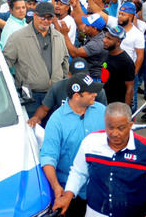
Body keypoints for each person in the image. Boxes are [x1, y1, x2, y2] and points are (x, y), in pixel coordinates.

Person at [54, 103, 146, 216]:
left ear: (130, 125)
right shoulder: (90, 142)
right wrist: (68, 195)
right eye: (110, 127)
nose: (115, 133)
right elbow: (78, 172)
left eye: (121, 128)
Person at [40, 73, 106, 216]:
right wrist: (57, 187)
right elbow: (48, 157)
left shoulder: (102, 111)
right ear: (77, 96)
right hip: (70, 193)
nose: (96, 93)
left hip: (101, 189)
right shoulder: (56, 121)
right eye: (91, 92)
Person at [3, 2, 70, 116]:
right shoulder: (18, 37)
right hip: (31, 97)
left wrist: (62, 85)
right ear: (34, 15)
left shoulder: (58, 37)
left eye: (49, 17)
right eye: (42, 17)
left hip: (54, 95)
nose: (46, 20)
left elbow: (64, 62)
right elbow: (5, 63)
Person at [28, 58, 108, 127]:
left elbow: (103, 115)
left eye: (84, 75)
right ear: (69, 75)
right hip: (64, 125)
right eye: (77, 76)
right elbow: (44, 108)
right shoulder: (58, 87)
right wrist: (36, 117)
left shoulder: (98, 91)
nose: (81, 79)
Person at [58, 11, 108, 81]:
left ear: (95, 29)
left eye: (87, 25)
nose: (84, 26)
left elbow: (74, 54)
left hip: (92, 78)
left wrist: (65, 35)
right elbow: (80, 23)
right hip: (86, 72)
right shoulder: (94, 33)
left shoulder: (97, 43)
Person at [103, 25, 136, 105]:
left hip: (116, 104)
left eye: (109, 38)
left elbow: (129, 88)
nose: (104, 40)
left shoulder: (126, 62)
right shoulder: (107, 52)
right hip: (104, 99)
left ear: (118, 42)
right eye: (105, 37)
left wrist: (125, 110)